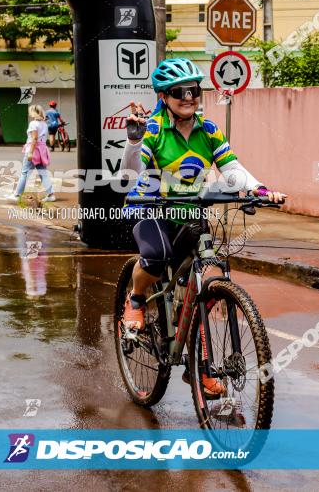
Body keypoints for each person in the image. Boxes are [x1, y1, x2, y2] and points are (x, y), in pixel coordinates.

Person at [119, 58, 285, 396]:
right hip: (153, 208)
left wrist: (259, 190)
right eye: (179, 92)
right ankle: (136, 300)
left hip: (190, 212)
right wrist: (134, 142)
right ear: (164, 97)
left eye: (193, 90)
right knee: (155, 255)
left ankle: (201, 368)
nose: (188, 96)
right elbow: (133, 171)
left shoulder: (208, 130)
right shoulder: (154, 127)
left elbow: (231, 167)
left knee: (204, 286)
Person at [9, 104, 56, 202]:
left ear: (34, 112)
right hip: (42, 150)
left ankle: (17, 195)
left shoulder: (33, 123)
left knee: (24, 173)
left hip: (33, 149)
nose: (29, 113)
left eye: (30, 111)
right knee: (43, 173)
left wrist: (30, 152)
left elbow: (34, 138)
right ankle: (51, 195)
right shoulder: (44, 124)